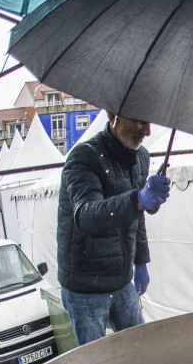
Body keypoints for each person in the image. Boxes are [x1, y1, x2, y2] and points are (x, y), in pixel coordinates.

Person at [57, 112, 171, 345]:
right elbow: (87, 215)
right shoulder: (83, 157)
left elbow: (136, 217)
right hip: (85, 287)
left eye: (149, 122)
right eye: (140, 120)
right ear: (113, 115)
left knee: (139, 351)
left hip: (121, 281)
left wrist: (141, 260)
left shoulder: (141, 157)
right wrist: (138, 199)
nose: (146, 131)